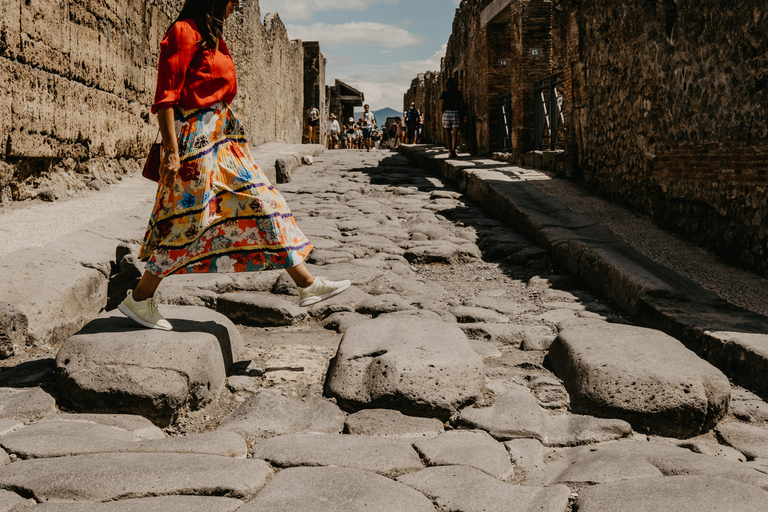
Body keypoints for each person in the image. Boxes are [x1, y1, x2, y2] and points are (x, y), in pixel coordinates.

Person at [120, 0, 350, 330]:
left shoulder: (213, 37)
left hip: (225, 140)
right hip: (196, 143)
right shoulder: (183, 33)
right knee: (189, 223)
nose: (237, 5)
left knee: (264, 202)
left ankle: (305, 283)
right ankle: (140, 298)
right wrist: (171, 151)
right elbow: (165, 99)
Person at [440, 77, 464, 158]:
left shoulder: (444, 93)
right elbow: (461, 105)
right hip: (456, 113)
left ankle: (450, 151)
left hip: (447, 113)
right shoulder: (458, 93)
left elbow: (441, 107)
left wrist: (443, 112)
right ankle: (454, 150)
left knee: (448, 134)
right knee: (455, 134)